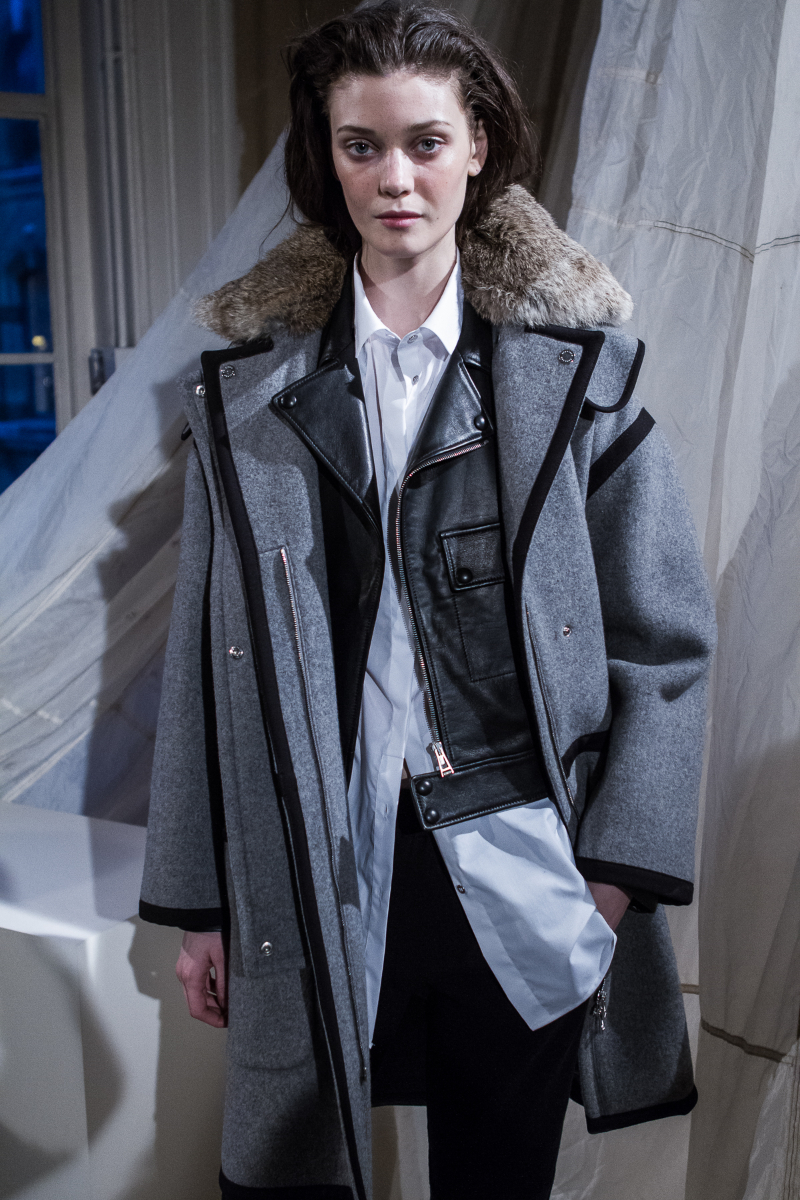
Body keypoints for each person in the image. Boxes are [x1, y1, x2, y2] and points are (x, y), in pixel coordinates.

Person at [139, 5, 716, 1198]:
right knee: (301, 1165)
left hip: (524, 868)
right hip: (312, 861)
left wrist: (606, 881)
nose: (394, 179)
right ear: (327, 154)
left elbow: (662, 648)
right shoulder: (245, 398)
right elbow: (206, 662)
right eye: (361, 145)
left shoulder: (579, 387)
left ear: (477, 147)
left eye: (424, 142)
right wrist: (200, 905)